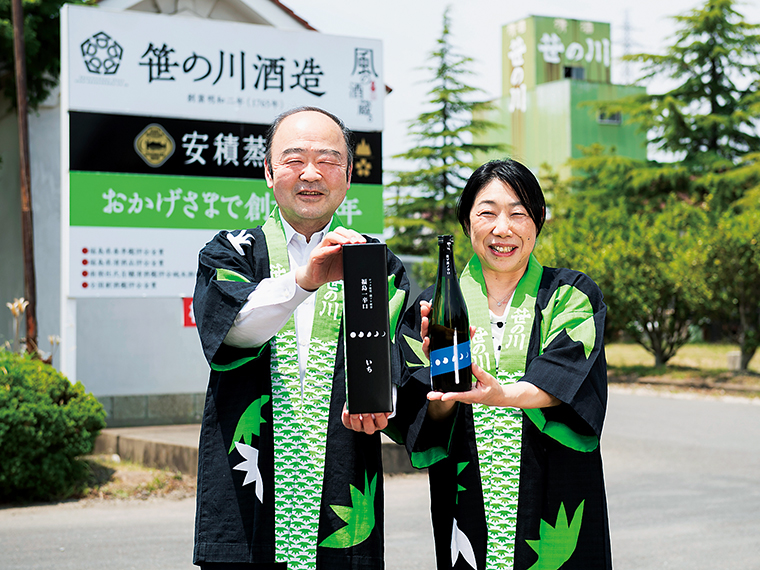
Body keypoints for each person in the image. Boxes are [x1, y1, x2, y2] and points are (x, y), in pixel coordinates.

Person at [191, 107, 430, 570]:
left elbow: (398, 371)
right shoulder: (231, 250)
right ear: (267, 171)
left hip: (343, 493)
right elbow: (230, 331)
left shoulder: (376, 264)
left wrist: (396, 394)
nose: (310, 173)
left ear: (348, 174)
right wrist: (303, 282)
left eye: (327, 159)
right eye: (294, 158)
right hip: (248, 496)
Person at [397, 159, 612, 570]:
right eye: (487, 212)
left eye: (518, 213)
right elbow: (423, 409)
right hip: (466, 487)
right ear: (466, 222)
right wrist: (444, 392)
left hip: (554, 487)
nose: (503, 228)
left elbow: (567, 376)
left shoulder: (570, 294)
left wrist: (499, 396)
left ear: (539, 221)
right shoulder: (432, 307)